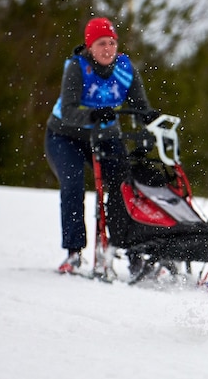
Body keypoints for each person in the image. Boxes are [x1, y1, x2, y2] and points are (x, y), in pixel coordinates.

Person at [45, 17, 159, 273]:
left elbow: (140, 106)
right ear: (89, 47)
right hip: (66, 136)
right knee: (73, 184)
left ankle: (128, 250)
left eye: (111, 43)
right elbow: (69, 109)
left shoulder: (125, 68)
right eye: (101, 44)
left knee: (123, 186)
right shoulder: (77, 67)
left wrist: (148, 118)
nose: (107, 49)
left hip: (106, 135)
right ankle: (73, 253)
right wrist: (92, 116)